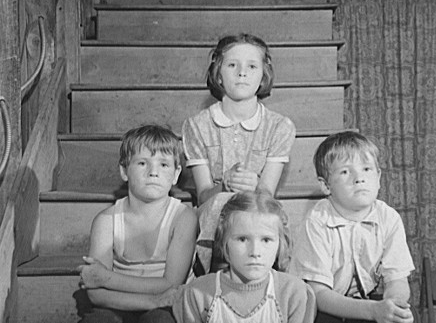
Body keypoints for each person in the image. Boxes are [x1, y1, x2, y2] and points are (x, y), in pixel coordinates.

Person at [182, 33, 296, 273]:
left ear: (263, 76)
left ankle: (267, 279)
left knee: (259, 212)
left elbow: (267, 193)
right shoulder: (196, 125)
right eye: (232, 65)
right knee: (224, 202)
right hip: (213, 213)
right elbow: (203, 195)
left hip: (257, 210)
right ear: (218, 74)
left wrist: (254, 184)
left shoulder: (280, 126)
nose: (242, 72)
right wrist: (225, 185)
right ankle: (213, 275)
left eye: (252, 66)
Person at [289, 131, 415, 323]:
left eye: (366, 169)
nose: (359, 178)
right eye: (345, 171)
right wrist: (374, 311)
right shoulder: (317, 222)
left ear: (379, 177)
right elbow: (319, 294)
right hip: (323, 305)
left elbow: (397, 279)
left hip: (367, 301)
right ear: (326, 185)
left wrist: (392, 306)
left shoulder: (389, 218)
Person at [77, 124, 198, 323]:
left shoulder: (183, 218)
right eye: (142, 163)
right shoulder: (106, 221)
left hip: (166, 307)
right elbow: (95, 293)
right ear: (124, 171)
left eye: (164, 165)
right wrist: (151, 302)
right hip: (118, 303)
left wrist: (107, 278)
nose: (153, 172)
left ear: (176, 175)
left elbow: (170, 284)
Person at [173, 191, 316, 323]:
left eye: (266, 240)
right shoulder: (199, 294)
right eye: (242, 239)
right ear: (224, 242)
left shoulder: (293, 294)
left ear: (280, 243)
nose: (255, 252)